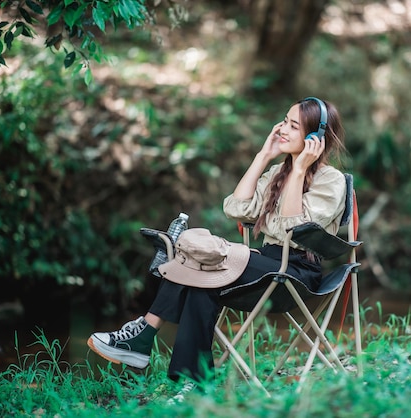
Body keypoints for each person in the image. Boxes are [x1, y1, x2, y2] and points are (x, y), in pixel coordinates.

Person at [87, 97, 347, 397]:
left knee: (202, 255)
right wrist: (264, 156)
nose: (282, 130)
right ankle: (193, 383)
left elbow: (295, 228)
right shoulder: (277, 173)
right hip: (267, 262)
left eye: (294, 126)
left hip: (297, 274)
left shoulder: (331, 180)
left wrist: (301, 170)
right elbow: (236, 208)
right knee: (202, 281)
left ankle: (144, 336)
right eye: (284, 121)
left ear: (316, 137)